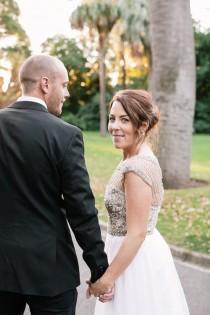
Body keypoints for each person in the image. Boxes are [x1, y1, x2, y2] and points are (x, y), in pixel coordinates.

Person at [0, 54, 109, 315]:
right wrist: (99, 268)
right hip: (50, 270)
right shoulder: (65, 134)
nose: (67, 93)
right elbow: (80, 208)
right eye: (65, 84)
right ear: (45, 84)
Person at [87, 89, 190, 315]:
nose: (114, 126)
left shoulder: (137, 167)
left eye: (125, 120)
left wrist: (107, 279)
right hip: (127, 253)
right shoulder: (133, 157)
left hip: (135, 262)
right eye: (112, 118)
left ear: (142, 126)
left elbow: (136, 233)